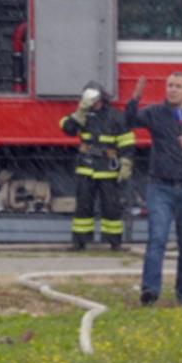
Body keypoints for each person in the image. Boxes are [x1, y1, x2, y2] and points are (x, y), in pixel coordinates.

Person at [124, 72, 182, 307]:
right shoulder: (155, 113)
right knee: (157, 238)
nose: (172, 90)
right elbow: (129, 121)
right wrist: (135, 96)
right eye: (169, 85)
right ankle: (150, 291)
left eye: (178, 86)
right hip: (160, 187)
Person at [58, 81, 134, 250]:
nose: (93, 103)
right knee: (83, 208)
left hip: (108, 168)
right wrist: (80, 112)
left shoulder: (115, 116)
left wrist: (126, 162)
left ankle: (114, 243)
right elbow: (68, 129)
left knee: (111, 208)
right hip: (86, 167)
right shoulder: (82, 115)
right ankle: (79, 242)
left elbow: (127, 142)